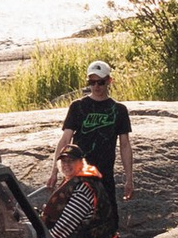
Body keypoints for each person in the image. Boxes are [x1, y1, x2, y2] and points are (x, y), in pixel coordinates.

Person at [57, 59, 135, 225]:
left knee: (109, 220)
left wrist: (129, 178)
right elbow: (65, 139)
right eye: (92, 82)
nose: (96, 86)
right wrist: (54, 172)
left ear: (109, 81)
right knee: (75, 220)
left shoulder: (119, 110)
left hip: (104, 174)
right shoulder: (77, 106)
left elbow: (125, 145)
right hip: (79, 174)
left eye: (100, 82)